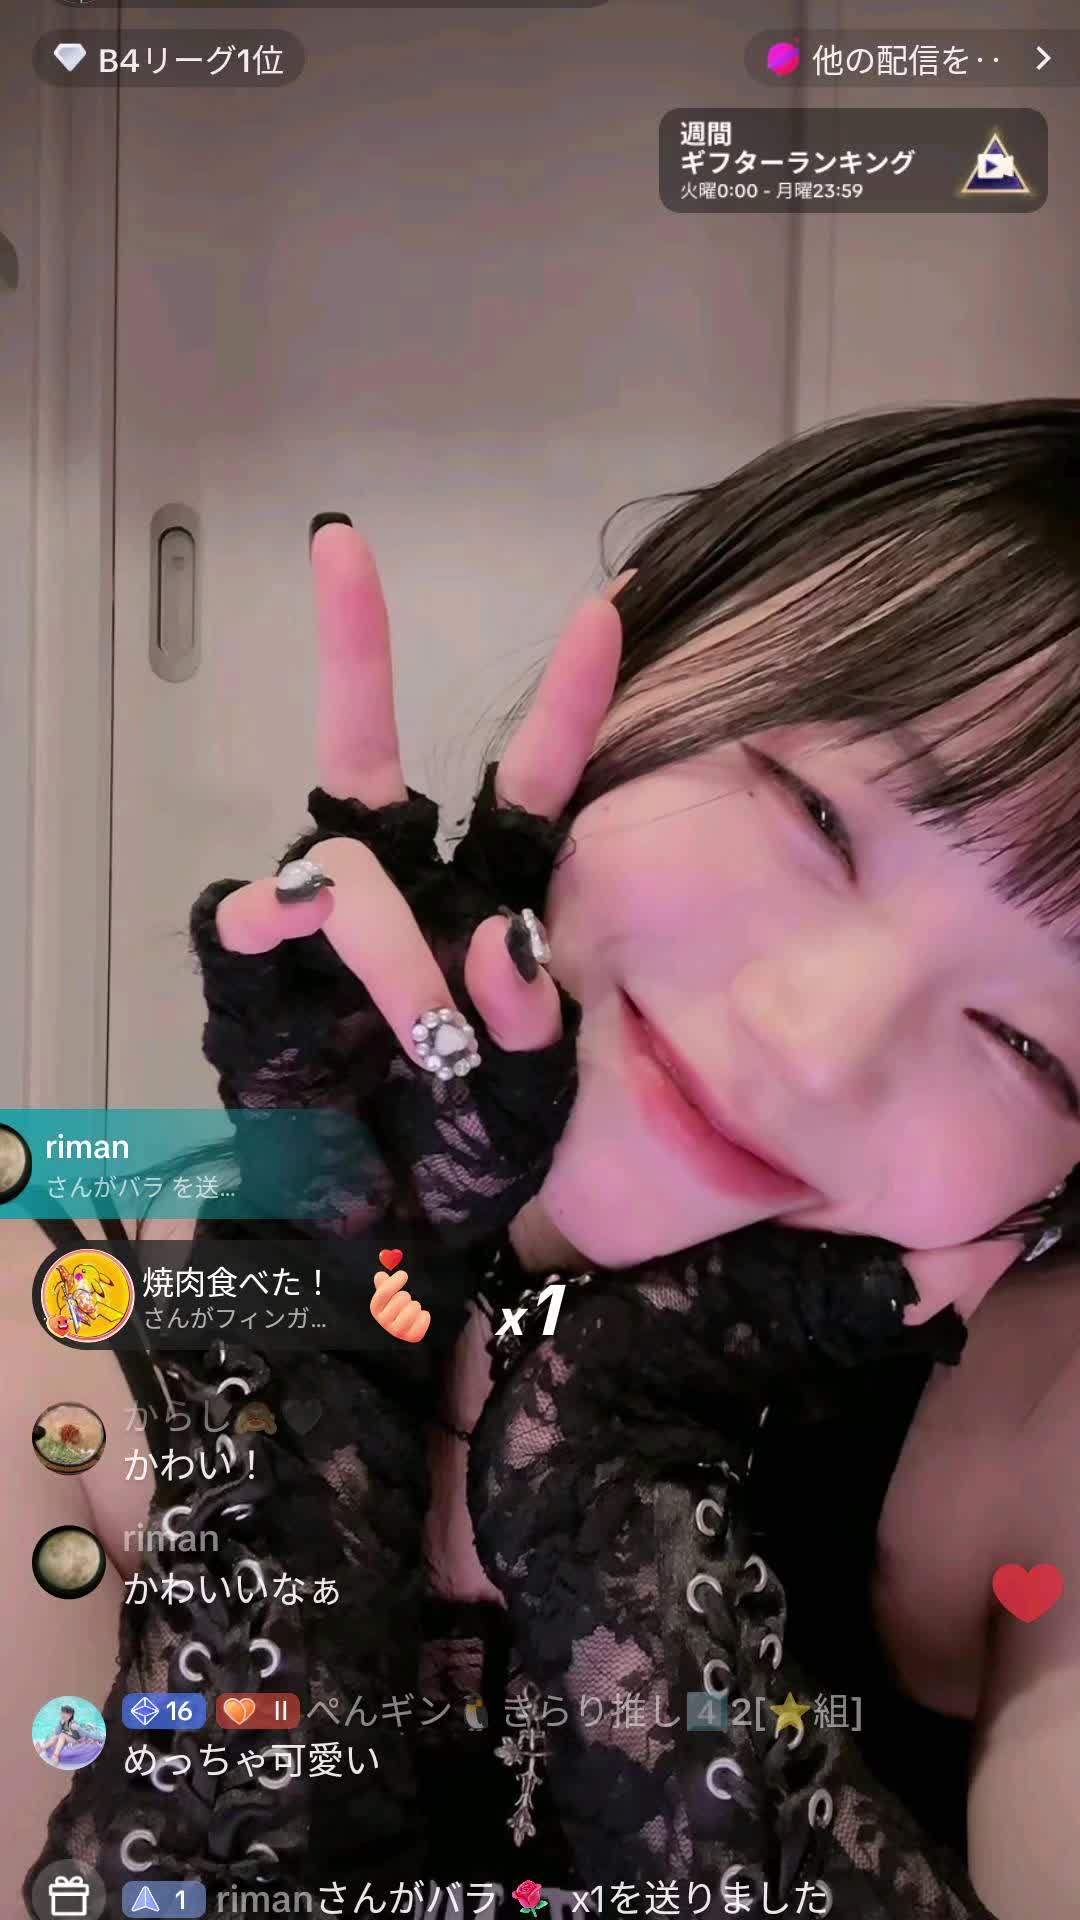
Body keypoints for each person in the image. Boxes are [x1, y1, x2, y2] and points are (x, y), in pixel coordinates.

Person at [21, 401, 1080, 1918]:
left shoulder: (1037, 1430)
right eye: (816, 817)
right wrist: (305, 1394)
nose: (815, 1042)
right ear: (636, 679)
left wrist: (614, 1487)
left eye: (1033, 1045)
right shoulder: (50, 1340)